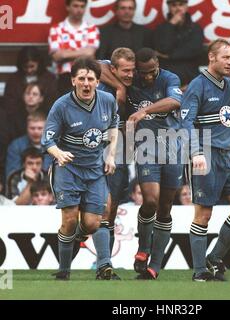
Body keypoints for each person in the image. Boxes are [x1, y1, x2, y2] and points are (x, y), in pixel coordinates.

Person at [181, 38, 230, 281]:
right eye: (225, 57)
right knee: (203, 215)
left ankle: (214, 258)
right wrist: (195, 153)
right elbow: (186, 122)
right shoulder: (198, 85)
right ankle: (199, 271)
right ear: (212, 58)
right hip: (206, 153)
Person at [41, 58, 118, 280]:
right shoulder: (61, 106)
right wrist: (59, 154)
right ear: (73, 80)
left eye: (91, 79)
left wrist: (111, 155)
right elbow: (48, 140)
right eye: (81, 79)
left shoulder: (107, 100)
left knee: (93, 222)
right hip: (68, 169)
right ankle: (65, 271)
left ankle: (99, 262)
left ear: (97, 81)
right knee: (70, 220)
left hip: (95, 169)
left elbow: (113, 126)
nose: (86, 83)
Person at [127, 48, 183, 280]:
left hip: (173, 146)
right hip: (147, 147)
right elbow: (100, 65)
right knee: (150, 201)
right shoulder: (130, 80)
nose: (148, 77)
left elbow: (174, 101)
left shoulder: (170, 78)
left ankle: (156, 265)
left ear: (157, 64)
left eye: (152, 72)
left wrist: (143, 111)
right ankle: (143, 248)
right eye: (143, 73)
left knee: (165, 207)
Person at [93, 48, 136, 280]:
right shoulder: (101, 79)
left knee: (111, 209)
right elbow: (93, 63)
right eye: (125, 71)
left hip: (120, 150)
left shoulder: (138, 81)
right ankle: (70, 265)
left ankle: (104, 266)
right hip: (94, 150)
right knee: (102, 208)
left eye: (132, 70)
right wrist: (119, 88)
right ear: (113, 68)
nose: (130, 75)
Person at [48, 0, 100, 96]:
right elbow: (57, 56)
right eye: (75, 6)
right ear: (68, 7)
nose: (79, 10)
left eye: (82, 6)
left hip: (86, 75)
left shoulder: (91, 28)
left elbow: (90, 53)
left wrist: (66, 53)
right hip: (64, 78)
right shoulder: (56, 29)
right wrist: (82, 52)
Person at [154, 0, 204, 89]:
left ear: (186, 7)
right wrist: (171, 25)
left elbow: (193, 50)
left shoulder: (196, 28)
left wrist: (169, 56)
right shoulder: (160, 29)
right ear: (169, 7)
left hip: (190, 79)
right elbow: (163, 48)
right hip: (167, 81)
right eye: (174, 5)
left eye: (181, 4)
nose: (178, 8)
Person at [3, 46, 58, 121]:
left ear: (38, 63)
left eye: (32, 66)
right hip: (18, 119)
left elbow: (53, 103)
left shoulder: (49, 78)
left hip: (44, 118)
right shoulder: (14, 79)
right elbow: (9, 104)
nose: (29, 70)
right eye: (25, 67)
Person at [5, 112, 51, 181]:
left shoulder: (53, 146)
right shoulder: (16, 145)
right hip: (22, 184)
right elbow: (11, 174)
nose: (36, 131)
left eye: (40, 128)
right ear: (27, 128)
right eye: (32, 128)